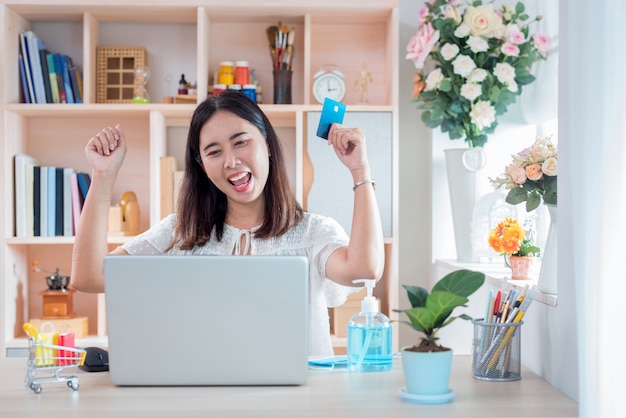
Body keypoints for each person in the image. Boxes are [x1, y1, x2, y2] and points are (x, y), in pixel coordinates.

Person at [71, 91, 384, 357]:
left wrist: (360, 170)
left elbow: (364, 269)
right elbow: (90, 277)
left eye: (241, 142)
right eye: (214, 151)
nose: (231, 161)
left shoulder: (313, 232)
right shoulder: (180, 233)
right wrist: (103, 175)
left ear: (268, 146)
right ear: (202, 166)